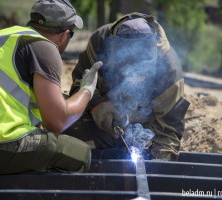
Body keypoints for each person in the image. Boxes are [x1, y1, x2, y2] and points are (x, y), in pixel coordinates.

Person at [0, 0, 102, 176]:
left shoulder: (4, 37)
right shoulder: (45, 48)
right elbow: (57, 122)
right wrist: (87, 90)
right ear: (66, 34)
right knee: (79, 153)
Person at [66, 12, 190, 160]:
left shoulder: (169, 67)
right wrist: (98, 105)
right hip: (106, 127)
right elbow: (79, 87)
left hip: (147, 133)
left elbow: (169, 130)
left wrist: (160, 164)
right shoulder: (99, 42)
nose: (134, 77)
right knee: (63, 129)